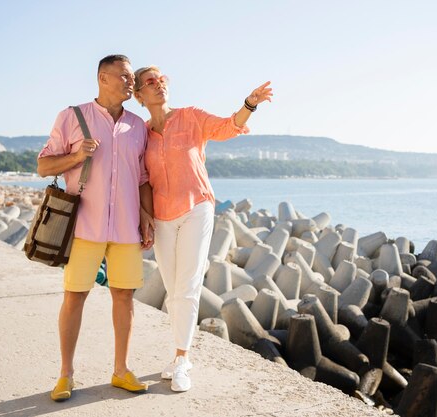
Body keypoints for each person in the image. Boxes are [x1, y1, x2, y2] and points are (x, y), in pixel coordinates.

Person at [134, 65, 272, 392]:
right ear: (139, 96)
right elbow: (141, 178)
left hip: (198, 206)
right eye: (150, 82)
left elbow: (227, 127)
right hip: (163, 215)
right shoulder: (140, 133)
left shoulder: (191, 117)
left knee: (188, 283)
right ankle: (179, 354)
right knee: (172, 286)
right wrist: (145, 215)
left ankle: (182, 359)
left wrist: (249, 105)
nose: (159, 85)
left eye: (162, 79)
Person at [37, 54, 154, 402]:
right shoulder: (72, 117)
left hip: (126, 228)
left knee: (124, 297)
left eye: (132, 77)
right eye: (124, 76)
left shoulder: (138, 125)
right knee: (75, 298)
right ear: (103, 78)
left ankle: (121, 370)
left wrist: (146, 215)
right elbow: (44, 166)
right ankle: (65, 376)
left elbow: (143, 177)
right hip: (84, 227)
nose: (130, 82)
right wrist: (76, 157)